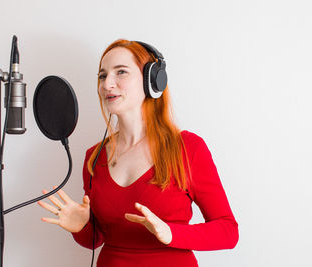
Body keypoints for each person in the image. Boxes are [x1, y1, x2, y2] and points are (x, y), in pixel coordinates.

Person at [38, 39, 239, 266]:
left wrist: (173, 233)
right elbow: (96, 240)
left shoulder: (188, 148)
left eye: (121, 72)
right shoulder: (94, 156)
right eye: (102, 76)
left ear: (152, 81)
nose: (107, 84)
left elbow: (228, 231)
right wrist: (81, 226)